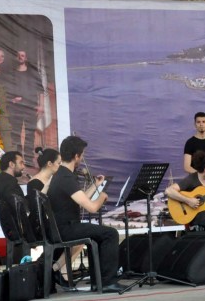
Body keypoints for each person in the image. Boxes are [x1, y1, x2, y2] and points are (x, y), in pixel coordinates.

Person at [47, 136, 122, 293]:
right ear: (76, 156)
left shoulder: (61, 174)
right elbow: (92, 208)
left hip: (62, 227)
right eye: (82, 155)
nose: (82, 158)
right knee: (111, 234)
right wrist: (102, 196)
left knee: (99, 236)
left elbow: (81, 200)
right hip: (66, 229)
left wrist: (96, 185)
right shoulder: (66, 178)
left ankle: (98, 283)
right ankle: (108, 282)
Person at [27, 147, 80, 289]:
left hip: (53, 222)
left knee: (78, 235)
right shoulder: (34, 183)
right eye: (59, 163)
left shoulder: (56, 180)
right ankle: (59, 271)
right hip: (41, 225)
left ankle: (58, 271)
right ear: (50, 164)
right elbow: (37, 208)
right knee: (77, 236)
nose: (61, 166)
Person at [8, 49, 44, 155]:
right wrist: (12, 99)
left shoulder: (33, 73)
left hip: (31, 107)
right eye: (18, 55)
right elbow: (6, 91)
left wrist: (41, 106)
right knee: (16, 133)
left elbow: (41, 91)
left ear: (26, 58)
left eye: (22, 55)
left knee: (30, 134)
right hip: (16, 108)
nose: (20, 57)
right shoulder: (11, 74)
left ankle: (28, 157)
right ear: (16, 57)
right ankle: (17, 157)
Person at [0, 151, 28, 247]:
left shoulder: (2, 181)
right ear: (11, 164)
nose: (23, 167)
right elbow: (20, 209)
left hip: (14, 232)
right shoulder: (9, 184)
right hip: (20, 233)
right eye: (21, 163)